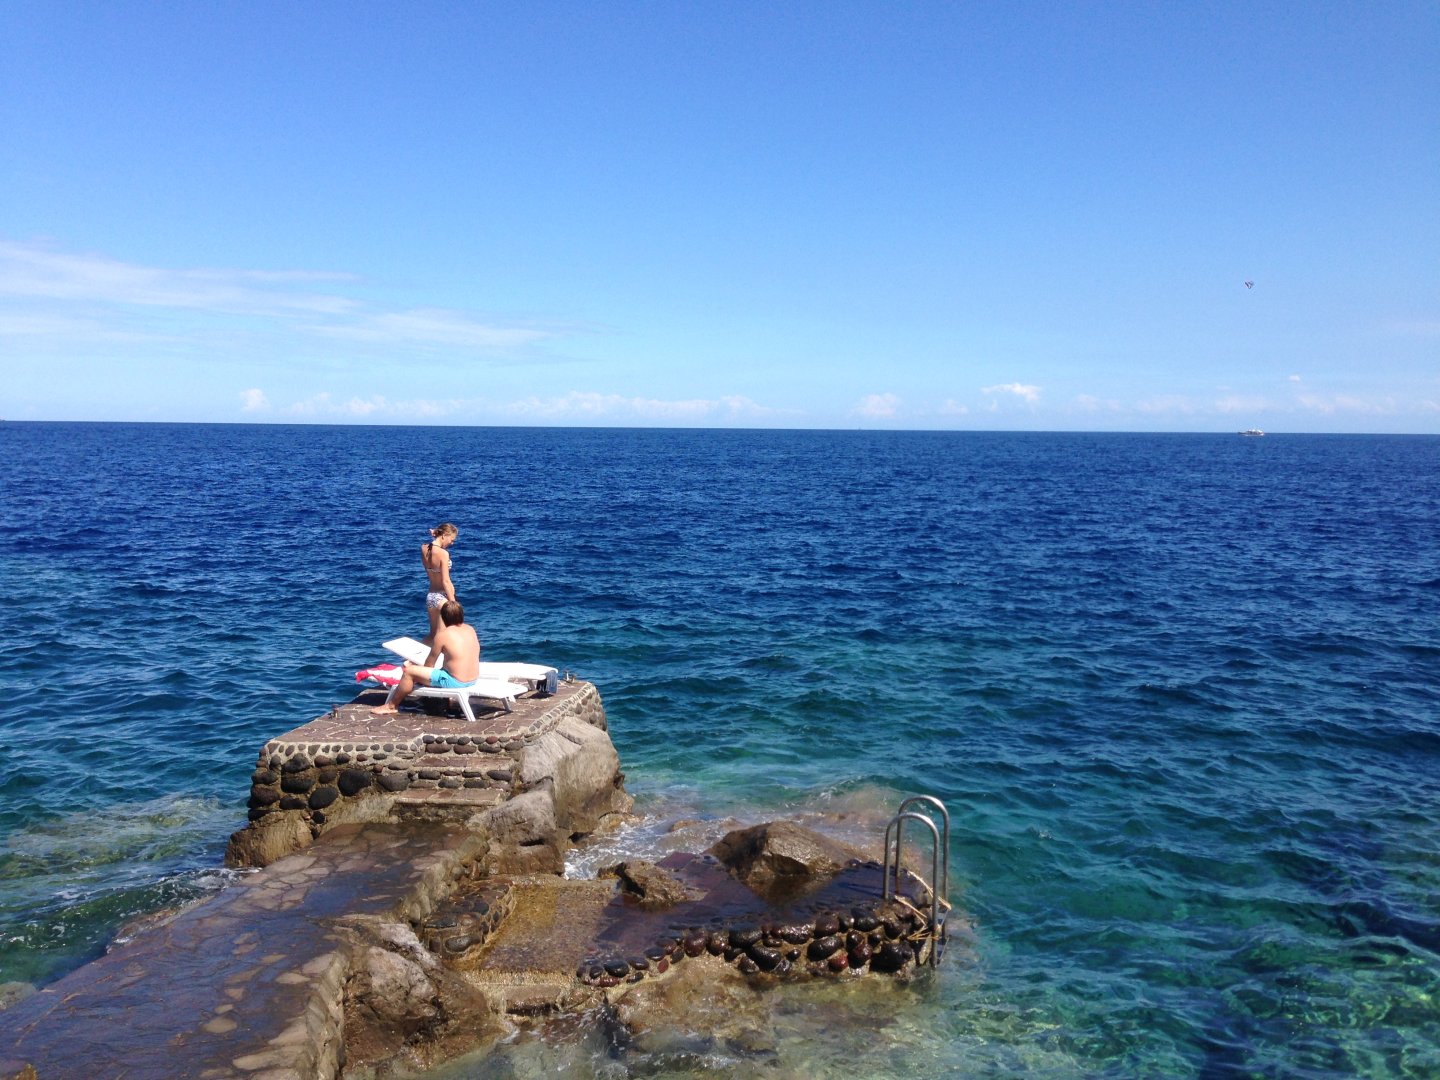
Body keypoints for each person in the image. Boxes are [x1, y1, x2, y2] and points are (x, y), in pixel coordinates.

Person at [371, 600, 480, 716]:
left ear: (444, 617)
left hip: (457, 682)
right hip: (473, 679)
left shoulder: (443, 635)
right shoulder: (470, 629)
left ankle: (391, 706)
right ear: (461, 614)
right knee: (443, 669)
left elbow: (429, 665)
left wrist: (414, 668)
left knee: (409, 672)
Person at [421, 523, 459, 644]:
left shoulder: (424, 548)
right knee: (443, 637)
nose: (452, 543)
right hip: (442, 598)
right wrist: (453, 603)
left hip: (431, 596)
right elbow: (446, 581)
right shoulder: (443, 554)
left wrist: (435, 535)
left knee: (433, 635)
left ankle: (410, 660)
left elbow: (433, 545)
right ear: (444, 535)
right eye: (452, 540)